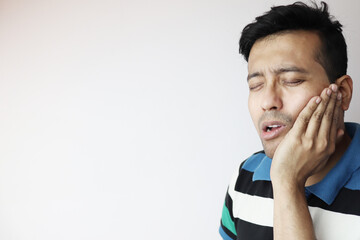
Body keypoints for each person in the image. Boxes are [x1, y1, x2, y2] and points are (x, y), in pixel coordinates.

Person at [219, 1, 360, 240]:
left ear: (342, 93)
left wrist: (287, 182)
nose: (268, 101)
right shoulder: (245, 176)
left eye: (292, 80)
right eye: (256, 85)